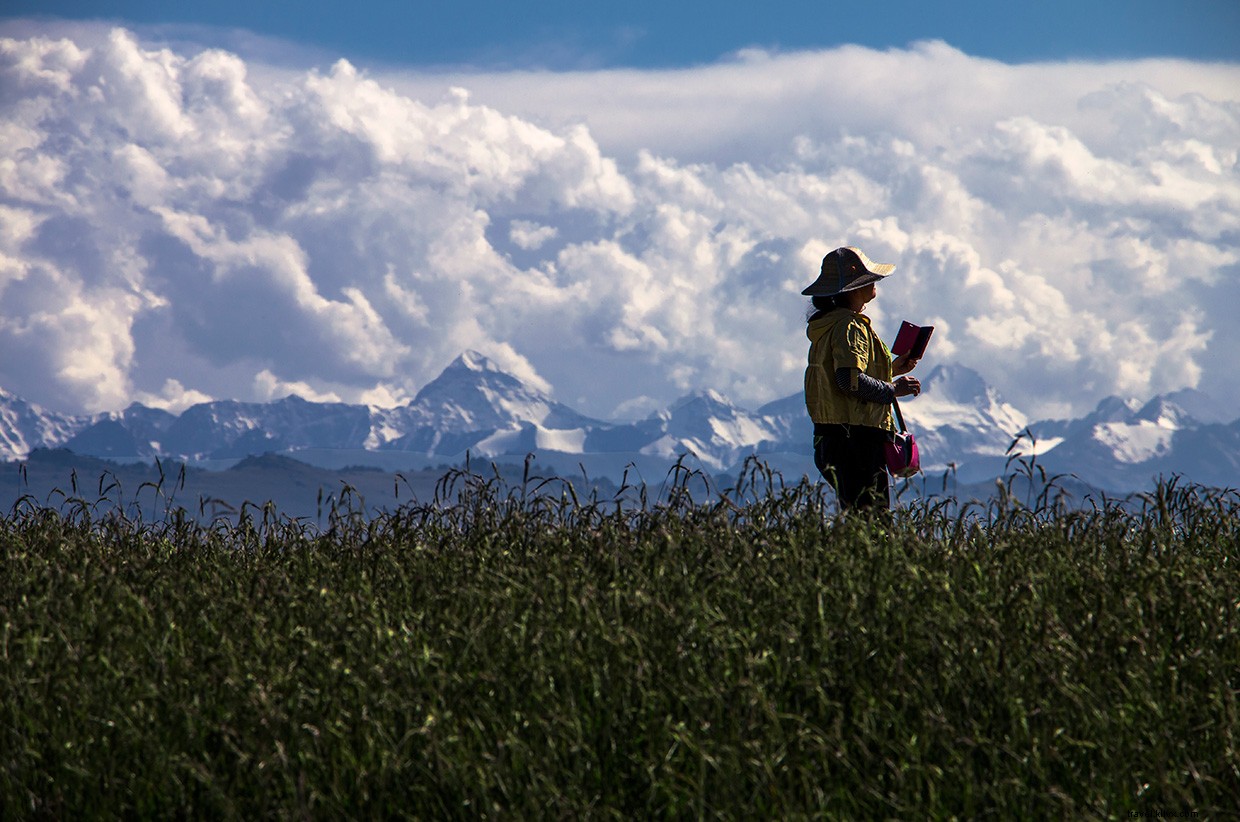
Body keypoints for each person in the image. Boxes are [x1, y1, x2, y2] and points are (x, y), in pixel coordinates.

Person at [802, 246, 921, 512]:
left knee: (859, 517)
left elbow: (840, 378)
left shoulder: (828, 326)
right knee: (873, 521)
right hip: (856, 441)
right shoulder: (850, 327)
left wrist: (891, 369)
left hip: (834, 439)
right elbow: (849, 381)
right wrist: (893, 389)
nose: (874, 282)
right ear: (854, 289)